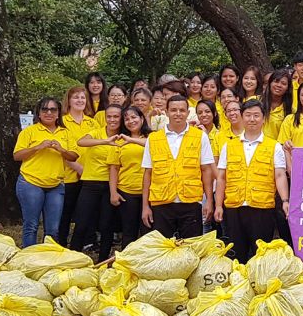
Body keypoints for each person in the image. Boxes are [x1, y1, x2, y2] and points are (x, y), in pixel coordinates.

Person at [214, 100, 289, 263]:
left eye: (256, 115)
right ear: (242, 117)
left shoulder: (274, 146)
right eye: (248, 115)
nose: (252, 119)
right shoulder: (229, 146)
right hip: (234, 207)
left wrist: (284, 200)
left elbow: (280, 175)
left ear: (263, 119)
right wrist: (218, 205)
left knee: (260, 256)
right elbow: (221, 177)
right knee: (235, 255)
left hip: (262, 208)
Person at [141, 96, 215, 239]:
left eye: (182, 110)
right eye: (173, 110)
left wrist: (209, 201)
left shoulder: (200, 137)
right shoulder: (153, 138)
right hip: (161, 201)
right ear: (166, 112)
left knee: (191, 247)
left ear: (188, 113)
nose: (178, 113)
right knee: (163, 248)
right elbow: (148, 173)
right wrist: (145, 206)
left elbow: (206, 170)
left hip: (191, 201)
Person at [13, 97, 79, 247]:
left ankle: (49, 260)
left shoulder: (66, 133)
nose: (48, 112)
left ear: (58, 114)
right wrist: (38, 147)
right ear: (39, 113)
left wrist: (61, 149)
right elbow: (17, 155)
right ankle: (29, 258)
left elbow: (74, 156)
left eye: (53, 109)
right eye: (44, 109)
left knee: (53, 229)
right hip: (31, 183)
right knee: (31, 226)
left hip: (56, 185)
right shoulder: (29, 131)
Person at [71, 105, 123, 261]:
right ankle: (73, 257)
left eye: (116, 117)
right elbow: (81, 142)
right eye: (109, 116)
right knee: (82, 222)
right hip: (91, 182)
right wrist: (105, 141)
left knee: (106, 225)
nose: (112, 120)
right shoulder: (96, 132)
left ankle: (102, 260)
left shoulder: (124, 136)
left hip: (111, 185)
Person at [58, 85, 99, 246]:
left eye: (83, 97)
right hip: (69, 174)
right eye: (76, 97)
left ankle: (85, 242)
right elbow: (62, 150)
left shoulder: (92, 123)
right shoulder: (62, 122)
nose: (80, 100)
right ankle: (60, 243)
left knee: (86, 213)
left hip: (90, 174)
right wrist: (78, 168)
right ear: (68, 100)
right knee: (66, 213)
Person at [109, 106, 151, 247]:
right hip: (127, 191)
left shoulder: (153, 136)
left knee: (148, 231)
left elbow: (152, 146)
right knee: (129, 232)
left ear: (142, 118)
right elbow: (114, 168)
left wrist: (131, 140)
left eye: (134, 117)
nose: (130, 121)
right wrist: (113, 192)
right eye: (126, 119)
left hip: (151, 192)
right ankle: (125, 264)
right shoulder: (119, 141)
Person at [262, 68, 293, 140]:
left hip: (276, 149)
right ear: (270, 83)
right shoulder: (255, 101)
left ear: (287, 88)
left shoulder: (291, 111)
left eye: (284, 83)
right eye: (276, 81)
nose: (279, 85)